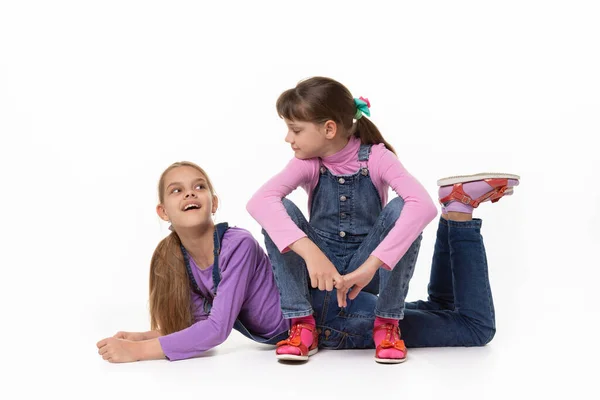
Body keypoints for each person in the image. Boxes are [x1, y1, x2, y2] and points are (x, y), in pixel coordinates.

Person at [246, 76, 439, 363]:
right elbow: (259, 201)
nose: (288, 138)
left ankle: (387, 324)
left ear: (328, 128)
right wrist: (312, 254)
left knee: (402, 209)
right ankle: (301, 323)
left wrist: (371, 266)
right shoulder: (307, 163)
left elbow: (423, 206)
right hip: (321, 274)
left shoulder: (376, 158)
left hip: (367, 272)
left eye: (295, 130)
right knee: (280, 208)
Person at [96, 161, 289, 363]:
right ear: (163, 212)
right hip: (286, 338)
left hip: (317, 321)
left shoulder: (239, 245)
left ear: (213, 203)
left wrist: (138, 351)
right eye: (177, 190)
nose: (190, 193)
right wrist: (141, 338)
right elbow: (197, 328)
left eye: (199, 187)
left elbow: (217, 329)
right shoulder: (181, 260)